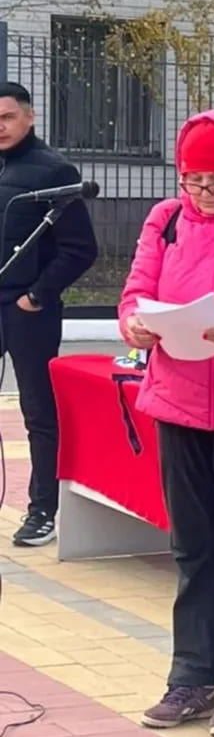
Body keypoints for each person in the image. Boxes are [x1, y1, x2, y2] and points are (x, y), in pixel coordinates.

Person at [119, 109, 214, 737]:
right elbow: (137, 292)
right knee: (192, 551)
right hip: (177, 403)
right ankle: (190, 678)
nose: (204, 193)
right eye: (194, 180)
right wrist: (134, 323)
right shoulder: (167, 220)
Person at [0, 83, 98, 548]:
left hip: (28, 310)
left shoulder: (54, 172)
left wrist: (36, 296)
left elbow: (80, 249)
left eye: (7, 117)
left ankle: (42, 510)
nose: (0, 127)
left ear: (30, 117)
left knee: (39, 410)